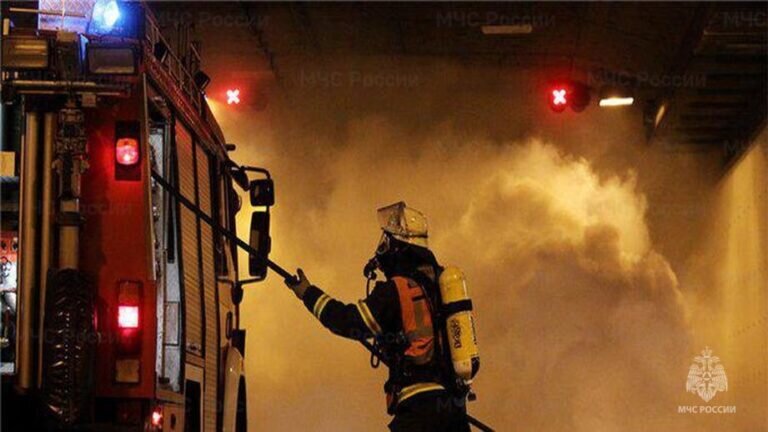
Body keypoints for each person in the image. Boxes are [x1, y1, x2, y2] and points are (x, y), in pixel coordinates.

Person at [285, 202, 471, 432]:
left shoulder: (397, 290)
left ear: (397, 246)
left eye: (386, 241)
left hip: (418, 412)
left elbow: (348, 321)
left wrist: (307, 293)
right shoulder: (443, 285)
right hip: (454, 411)